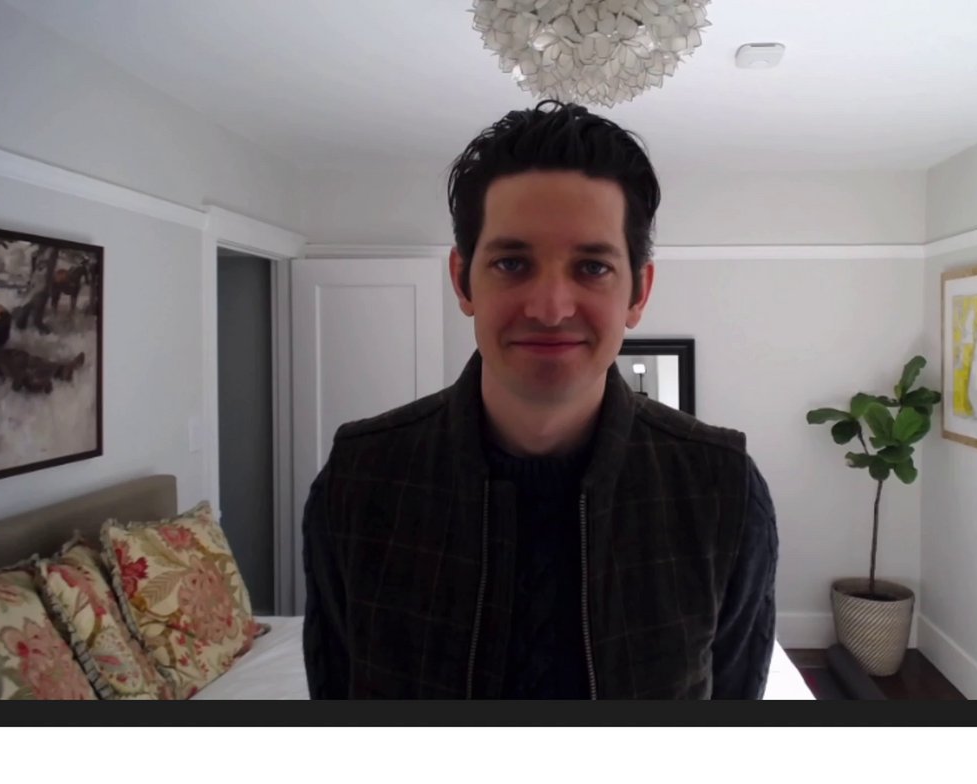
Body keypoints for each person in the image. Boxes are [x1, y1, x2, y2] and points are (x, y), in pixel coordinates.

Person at [302, 100, 778, 700]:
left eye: (592, 267)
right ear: (462, 281)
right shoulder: (361, 478)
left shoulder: (720, 489)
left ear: (638, 293)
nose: (551, 308)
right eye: (512, 262)